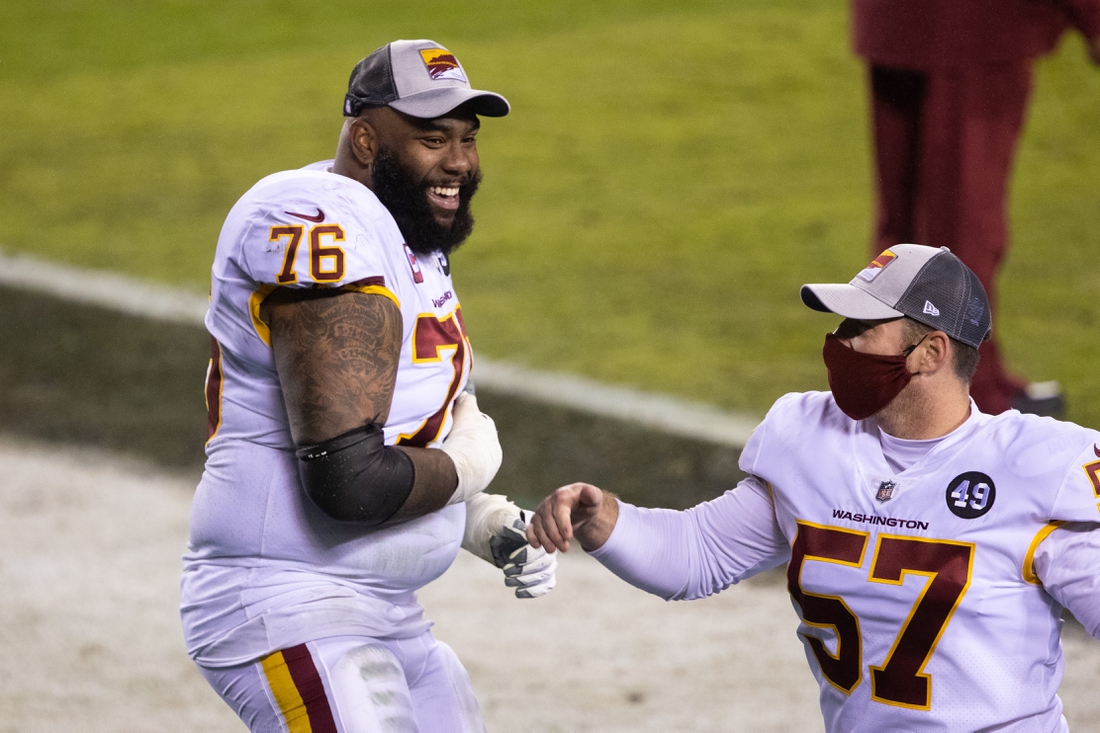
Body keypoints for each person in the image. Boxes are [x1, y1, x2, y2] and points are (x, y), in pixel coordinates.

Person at [529, 244, 1100, 731]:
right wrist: (603, 518)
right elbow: (697, 555)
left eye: (861, 328)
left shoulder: (1037, 468)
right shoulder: (809, 438)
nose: (839, 342)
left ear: (930, 352)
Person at [180, 39, 556, 733]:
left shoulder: (407, 236)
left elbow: (397, 427)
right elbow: (347, 480)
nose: (459, 162)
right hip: (288, 604)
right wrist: (470, 466)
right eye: (431, 138)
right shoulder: (319, 219)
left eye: (467, 139)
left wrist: (476, 515)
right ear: (363, 138)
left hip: (384, 607)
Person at [852, 0, 1100, 416]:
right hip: (975, 22)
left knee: (903, 222)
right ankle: (970, 393)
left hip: (892, 16)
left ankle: (890, 379)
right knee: (966, 223)